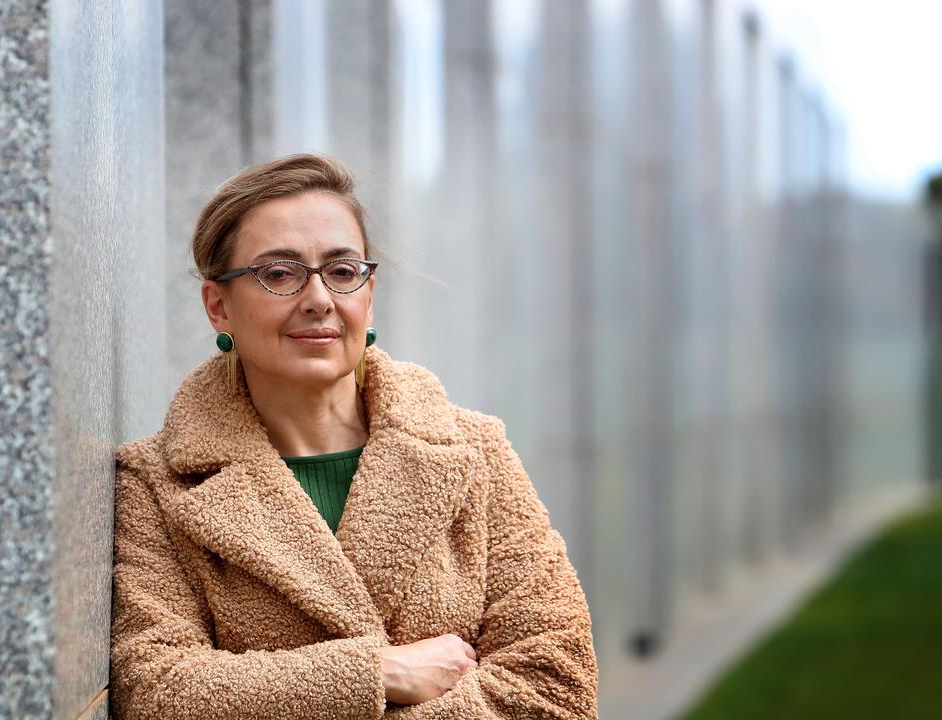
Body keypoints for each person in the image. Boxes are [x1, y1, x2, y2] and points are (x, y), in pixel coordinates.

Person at [111, 154, 597, 719]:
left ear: (368, 296)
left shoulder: (473, 451)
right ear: (219, 306)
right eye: (279, 273)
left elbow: (555, 681)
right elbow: (157, 690)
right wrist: (380, 673)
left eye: (342, 271)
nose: (319, 299)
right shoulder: (156, 484)